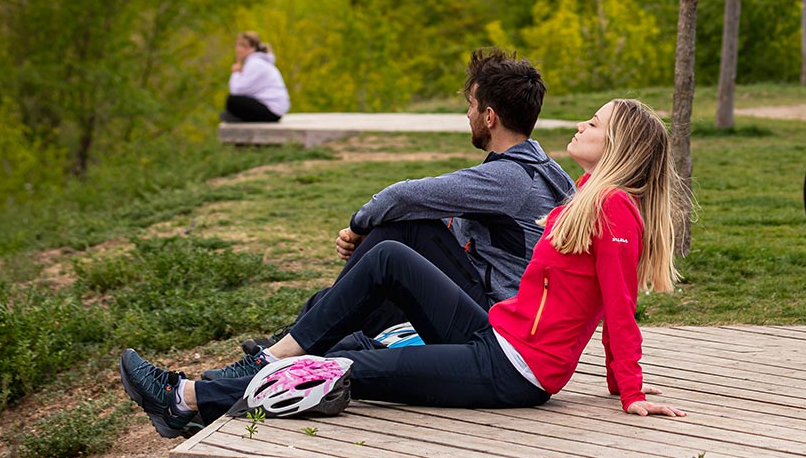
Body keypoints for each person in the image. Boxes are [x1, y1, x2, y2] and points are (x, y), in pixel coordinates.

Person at [118, 98, 687, 436]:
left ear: (619, 148)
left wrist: (628, 390)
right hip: (496, 334)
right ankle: (263, 362)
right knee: (391, 255)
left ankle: (187, 398)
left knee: (346, 363)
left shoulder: (613, 210)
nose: (581, 126)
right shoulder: (589, 192)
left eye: (594, 124)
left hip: (518, 372)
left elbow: (619, 307)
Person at [204, 48, 573, 378]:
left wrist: (358, 226)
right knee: (392, 255)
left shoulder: (510, 178)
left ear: (490, 116)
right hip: (500, 308)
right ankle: (292, 341)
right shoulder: (543, 168)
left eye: (472, 105)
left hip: (494, 323)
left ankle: (290, 345)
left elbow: (404, 195)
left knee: (404, 232)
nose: (468, 113)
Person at [224, 31, 289, 123]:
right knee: (233, 104)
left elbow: (237, 90)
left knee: (232, 101)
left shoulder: (255, 64)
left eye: (242, 46)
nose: (238, 49)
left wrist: (236, 73)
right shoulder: (257, 62)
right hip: (274, 109)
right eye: (237, 45)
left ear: (252, 48)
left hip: (272, 111)